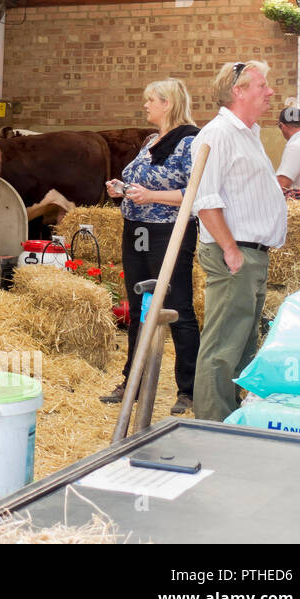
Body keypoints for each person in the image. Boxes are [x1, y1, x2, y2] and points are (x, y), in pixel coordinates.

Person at [191, 61, 287, 422]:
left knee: (242, 343)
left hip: (251, 253)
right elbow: (205, 198)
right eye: (262, 85)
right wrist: (230, 249)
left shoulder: (248, 133)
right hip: (235, 253)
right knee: (222, 344)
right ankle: (214, 423)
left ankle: (232, 418)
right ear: (239, 91)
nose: (269, 92)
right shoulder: (217, 134)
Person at [101, 78, 200, 414]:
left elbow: (196, 192)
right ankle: (134, 380)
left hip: (169, 233)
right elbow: (140, 182)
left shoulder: (190, 141)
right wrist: (123, 188)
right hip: (136, 229)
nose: (145, 105)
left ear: (167, 103)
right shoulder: (150, 141)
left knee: (178, 307)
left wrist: (152, 196)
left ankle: (188, 389)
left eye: (150, 100)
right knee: (139, 308)